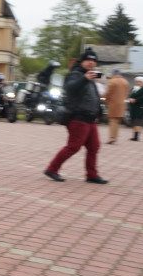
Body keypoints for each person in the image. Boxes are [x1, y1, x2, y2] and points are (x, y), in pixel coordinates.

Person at [45, 49, 107, 184]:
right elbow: (69, 88)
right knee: (73, 146)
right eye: (88, 60)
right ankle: (52, 169)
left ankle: (91, 175)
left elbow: (94, 97)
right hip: (78, 118)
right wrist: (84, 79)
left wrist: (98, 113)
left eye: (94, 61)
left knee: (94, 147)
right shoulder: (76, 74)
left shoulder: (90, 76)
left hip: (90, 119)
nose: (91, 63)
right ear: (82, 61)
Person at [103, 68, 129, 144]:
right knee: (117, 121)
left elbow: (108, 93)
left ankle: (112, 137)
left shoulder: (112, 81)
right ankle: (115, 137)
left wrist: (105, 101)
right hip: (122, 103)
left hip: (113, 103)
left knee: (112, 120)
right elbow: (127, 94)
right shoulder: (125, 82)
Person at [127, 76, 143, 141]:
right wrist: (130, 99)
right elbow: (130, 95)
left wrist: (135, 100)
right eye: (137, 82)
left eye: (140, 82)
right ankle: (134, 136)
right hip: (133, 107)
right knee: (133, 121)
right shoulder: (134, 88)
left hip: (140, 107)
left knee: (138, 122)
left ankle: (136, 136)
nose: (138, 83)